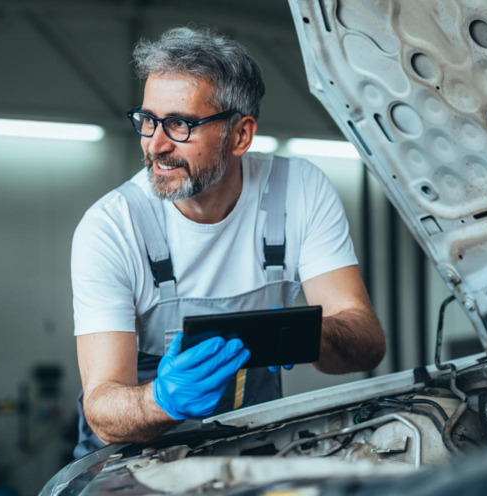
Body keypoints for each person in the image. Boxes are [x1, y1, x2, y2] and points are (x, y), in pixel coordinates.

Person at [71, 26, 385, 458]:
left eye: (179, 124)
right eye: (147, 121)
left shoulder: (299, 191)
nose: (155, 145)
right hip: (130, 464)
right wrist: (160, 400)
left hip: (248, 447)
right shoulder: (112, 227)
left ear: (240, 135)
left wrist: (305, 335)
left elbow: (367, 341)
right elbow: (103, 412)